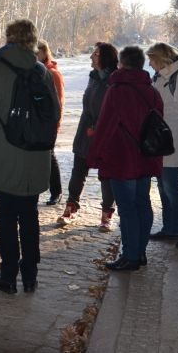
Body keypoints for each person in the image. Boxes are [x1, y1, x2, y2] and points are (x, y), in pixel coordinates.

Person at [0, 20, 59, 294]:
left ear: (9, 38)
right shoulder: (42, 71)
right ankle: (31, 276)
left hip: (3, 154)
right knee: (30, 216)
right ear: (33, 40)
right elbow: (54, 114)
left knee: (6, 217)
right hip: (35, 155)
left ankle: (8, 275)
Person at [87, 45, 163, 271]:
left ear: (122, 64)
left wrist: (94, 156)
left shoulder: (117, 90)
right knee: (142, 204)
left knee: (127, 209)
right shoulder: (152, 90)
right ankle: (139, 252)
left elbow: (105, 126)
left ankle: (130, 255)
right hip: (146, 156)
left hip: (121, 158)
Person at [58, 42, 119, 230]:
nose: (91, 57)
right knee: (78, 171)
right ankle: (71, 207)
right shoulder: (92, 77)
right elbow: (88, 106)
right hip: (85, 132)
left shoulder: (115, 80)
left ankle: (106, 214)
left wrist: (100, 126)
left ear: (105, 58)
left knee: (107, 175)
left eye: (96, 54)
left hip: (106, 135)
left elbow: (114, 109)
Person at [146, 42, 178, 248]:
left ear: (161, 58)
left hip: (175, 139)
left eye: (152, 59)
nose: (149, 64)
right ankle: (170, 228)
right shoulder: (161, 77)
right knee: (163, 185)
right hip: (163, 139)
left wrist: (155, 112)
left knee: (171, 186)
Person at [36, 40, 65, 206]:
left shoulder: (53, 73)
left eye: (37, 53)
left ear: (44, 53)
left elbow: (59, 101)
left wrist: (56, 123)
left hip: (49, 123)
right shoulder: (35, 71)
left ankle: (56, 191)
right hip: (37, 123)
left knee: (49, 156)